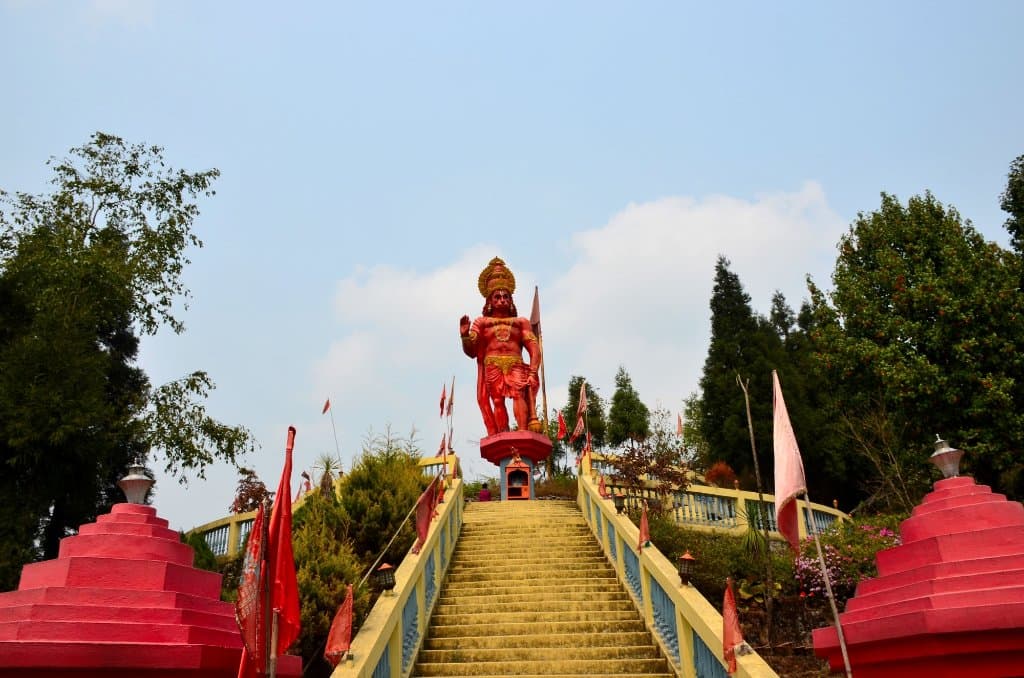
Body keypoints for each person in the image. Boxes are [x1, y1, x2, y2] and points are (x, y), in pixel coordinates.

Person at [460, 257, 542, 436]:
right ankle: (502, 433)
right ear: (490, 301)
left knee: (518, 395)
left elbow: (534, 348)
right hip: (492, 365)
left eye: (506, 297)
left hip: (515, 364)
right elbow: (472, 351)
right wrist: (465, 336)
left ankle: (522, 431)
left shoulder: (521, 322)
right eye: (497, 297)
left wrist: (533, 371)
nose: (502, 300)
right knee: (497, 401)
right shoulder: (481, 323)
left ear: (511, 300)